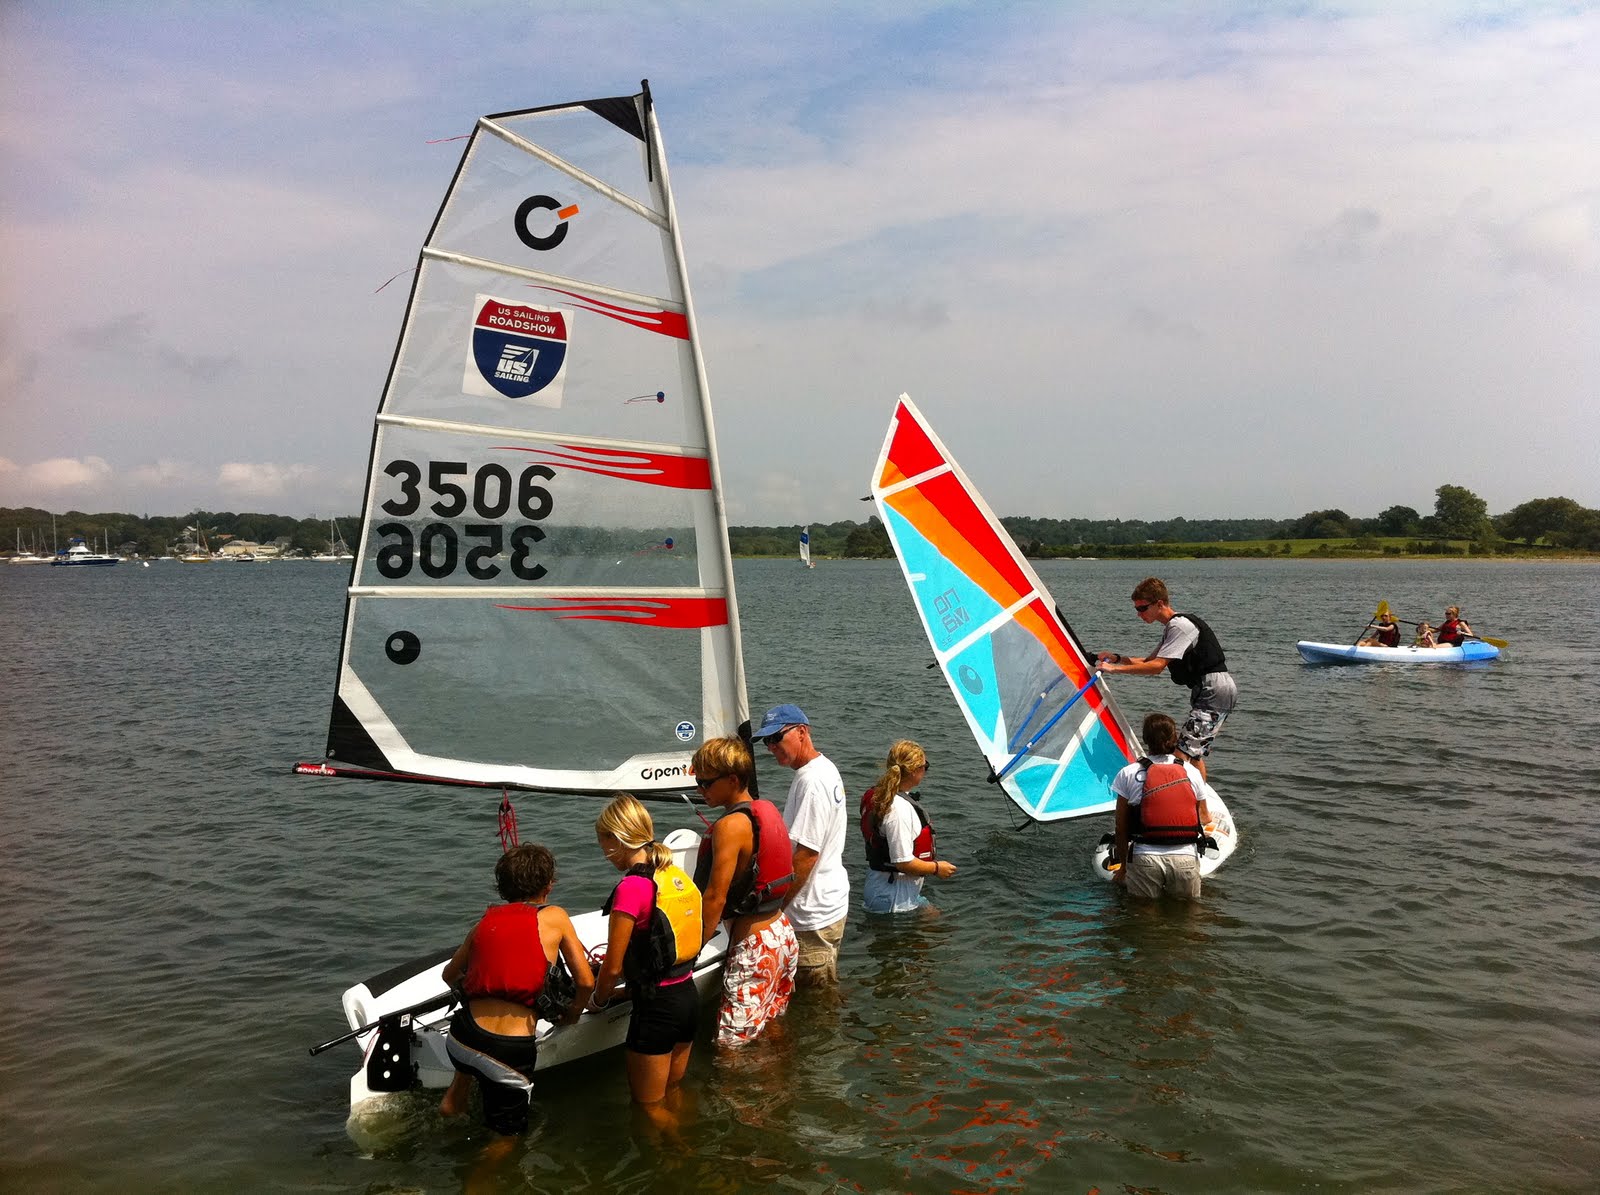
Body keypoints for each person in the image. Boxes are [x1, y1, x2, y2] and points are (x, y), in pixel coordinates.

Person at [439, 843, 595, 1135]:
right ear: (549, 885)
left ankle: (453, 1102)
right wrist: (574, 1013)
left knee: (473, 1062)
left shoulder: (484, 923)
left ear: (502, 888)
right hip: (507, 1052)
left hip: (461, 1038)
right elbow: (586, 981)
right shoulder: (556, 916)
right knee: (507, 1141)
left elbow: (449, 975)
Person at [591, 794, 702, 1117]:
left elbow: (612, 968)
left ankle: (682, 1158)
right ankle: (690, 1142)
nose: (603, 852)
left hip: (657, 1011)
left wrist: (597, 1001)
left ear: (617, 839)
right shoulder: (672, 874)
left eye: (603, 842)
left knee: (649, 1109)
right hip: (687, 997)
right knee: (672, 1091)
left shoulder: (632, 887)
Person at [690, 735, 799, 1047]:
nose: (700, 789)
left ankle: (738, 1096)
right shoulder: (765, 810)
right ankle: (780, 1087)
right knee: (769, 1026)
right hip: (781, 934)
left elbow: (715, 896)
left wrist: (690, 954)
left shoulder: (730, 826)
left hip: (756, 946)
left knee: (731, 1046)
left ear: (733, 779)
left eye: (706, 782)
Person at [1095, 577, 1236, 779]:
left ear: (1159, 603)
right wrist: (1117, 658)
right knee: (1193, 754)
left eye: (1143, 608)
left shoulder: (1180, 627)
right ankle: (1200, 799)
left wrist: (1113, 670)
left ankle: (1194, 805)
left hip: (1214, 691)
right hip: (1210, 689)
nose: (1139, 614)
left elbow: (1156, 667)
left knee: (1181, 754)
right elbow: (1147, 661)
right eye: (1137, 609)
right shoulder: (1172, 627)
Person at [756, 703, 850, 986]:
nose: (772, 747)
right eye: (767, 742)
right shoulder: (823, 768)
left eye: (776, 738)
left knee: (813, 1007)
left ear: (801, 732)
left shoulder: (811, 781)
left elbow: (807, 855)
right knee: (823, 995)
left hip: (811, 915)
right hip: (828, 904)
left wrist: (775, 909)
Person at [1110, 713, 1218, 901]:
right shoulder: (1191, 772)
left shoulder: (1128, 773)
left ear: (1145, 740)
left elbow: (1121, 827)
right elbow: (1196, 815)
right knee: (1190, 916)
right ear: (1174, 739)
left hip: (1145, 858)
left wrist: (1123, 869)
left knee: (1144, 920)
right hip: (1184, 858)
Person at [859, 740, 956, 914]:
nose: (926, 771)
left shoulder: (883, 795)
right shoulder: (898, 810)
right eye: (925, 766)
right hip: (892, 900)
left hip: (894, 890)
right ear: (914, 771)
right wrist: (936, 868)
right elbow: (903, 862)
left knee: (936, 922)